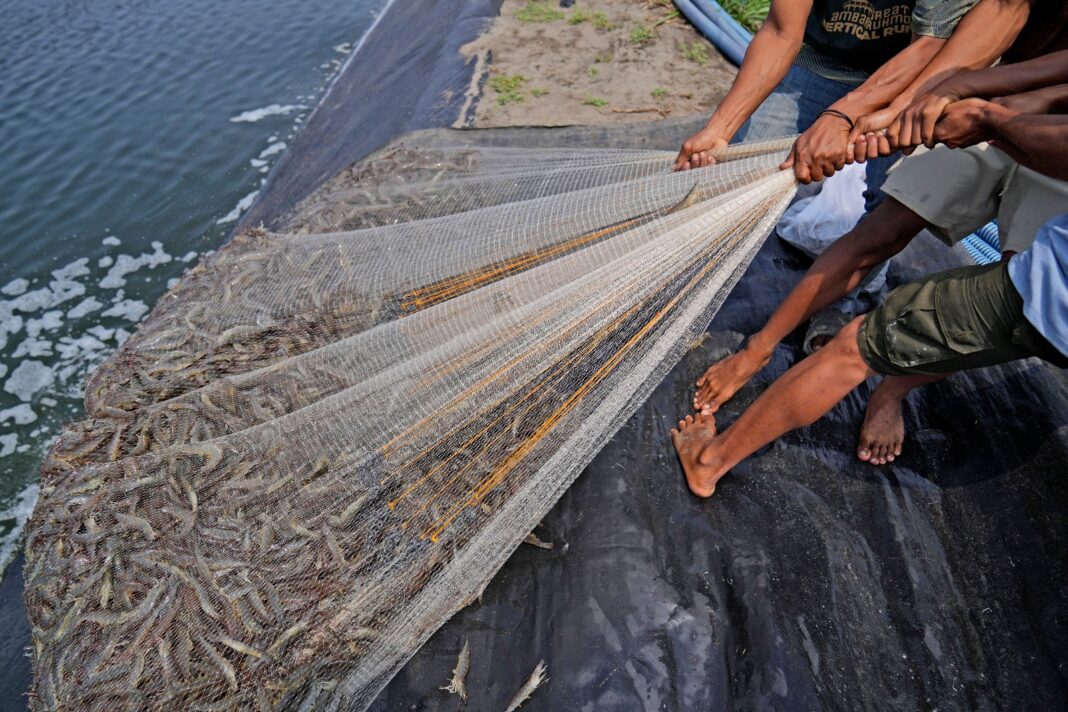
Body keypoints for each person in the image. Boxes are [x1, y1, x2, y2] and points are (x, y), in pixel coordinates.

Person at [692, 46, 1068, 466]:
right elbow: (981, 36)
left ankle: (892, 390)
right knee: (881, 231)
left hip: (1050, 142)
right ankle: (758, 350)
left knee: (1009, 288)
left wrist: (994, 118)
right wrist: (925, 104)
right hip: (1001, 95)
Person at [673, 211, 1068, 498]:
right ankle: (888, 390)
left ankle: (710, 461)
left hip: (1049, 285)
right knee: (973, 331)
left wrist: (992, 125)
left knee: (856, 348)